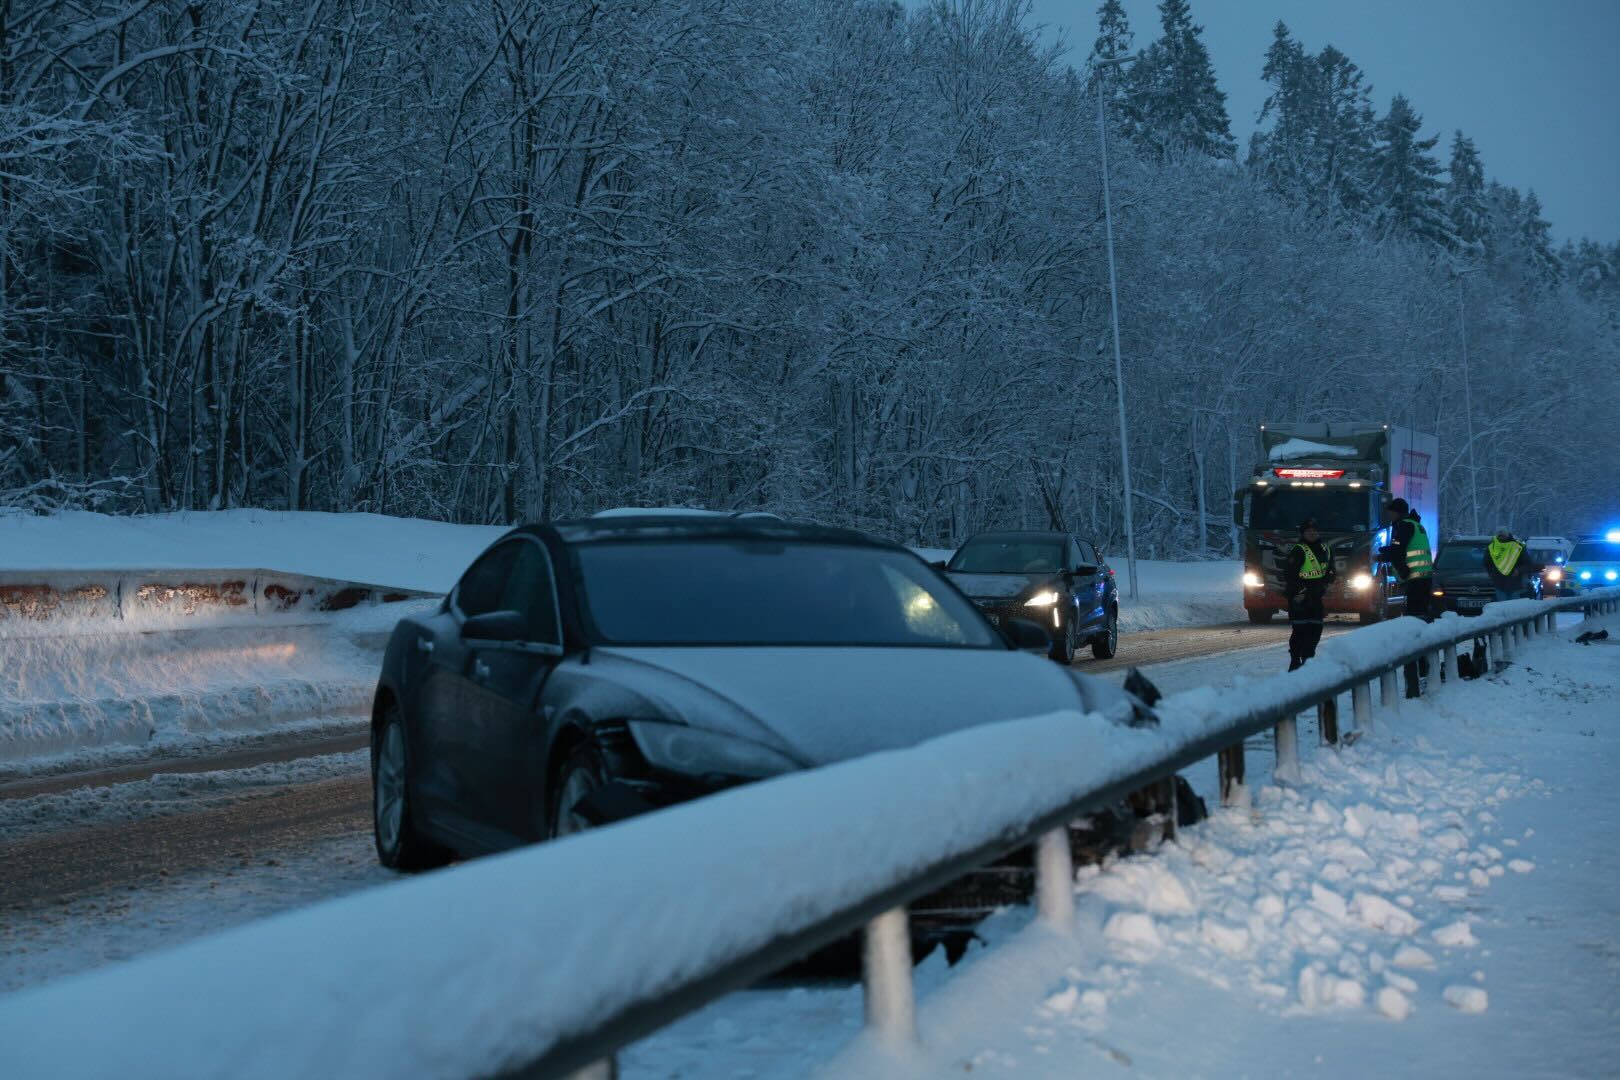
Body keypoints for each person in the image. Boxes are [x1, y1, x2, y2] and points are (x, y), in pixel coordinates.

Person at [1284, 517, 1336, 671]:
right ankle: (1295, 662)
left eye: (1314, 531)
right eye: (1308, 531)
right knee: (1300, 631)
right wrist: (1300, 592)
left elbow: (1330, 570)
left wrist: (1328, 580)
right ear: (1303, 534)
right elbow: (1289, 574)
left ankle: (1308, 660)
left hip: (1316, 597)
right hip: (1300, 597)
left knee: (1316, 630)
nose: (1312, 533)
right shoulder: (1298, 550)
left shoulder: (1326, 549)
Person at [1379, 498, 1434, 622]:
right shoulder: (1416, 525)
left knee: (1413, 617)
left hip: (1414, 577)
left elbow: (1398, 552)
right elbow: (1406, 547)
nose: (1389, 515)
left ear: (1397, 512)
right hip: (1425, 577)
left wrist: (1402, 571)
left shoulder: (1404, 526)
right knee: (1422, 614)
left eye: (1391, 512)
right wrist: (1387, 551)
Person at [1484, 528, 1540, 602]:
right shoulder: (1492, 547)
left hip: (1514, 584)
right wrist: (1492, 574)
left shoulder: (1517, 546)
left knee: (1513, 606)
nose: (1501, 538)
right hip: (1499, 584)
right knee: (1503, 606)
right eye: (1500, 536)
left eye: (1503, 536)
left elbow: (1528, 563)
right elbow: (1487, 563)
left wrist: (1518, 570)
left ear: (1507, 535)